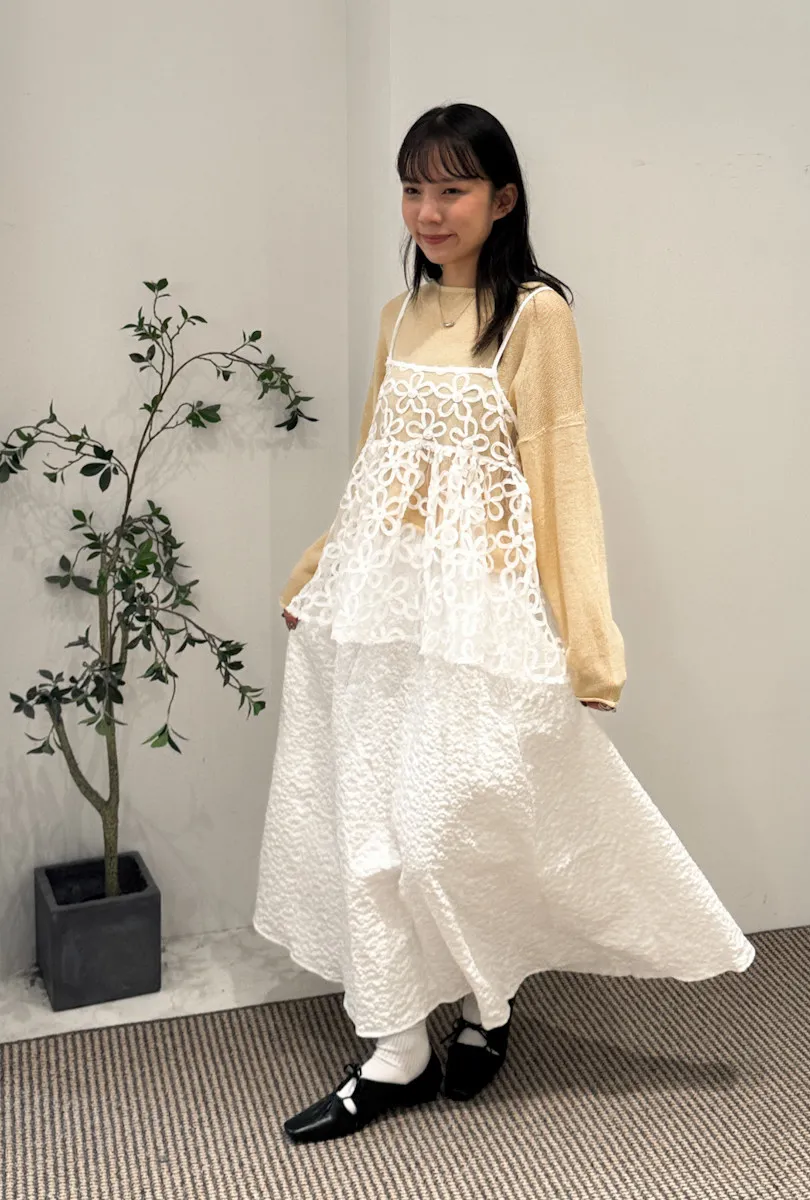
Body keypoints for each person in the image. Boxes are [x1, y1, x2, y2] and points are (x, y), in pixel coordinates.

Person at [252, 102, 755, 1145]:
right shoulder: (399, 317)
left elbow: (560, 479)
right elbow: (378, 468)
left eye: (453, 189)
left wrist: (589, 641)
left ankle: (490, 1003)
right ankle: (395, 1050)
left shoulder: (536, 317)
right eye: (414, 189)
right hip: (378, 608)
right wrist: (318, 569)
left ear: (502, 199)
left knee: (450, 833)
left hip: (480, 616)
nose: (429, 212)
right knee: (372, 838)